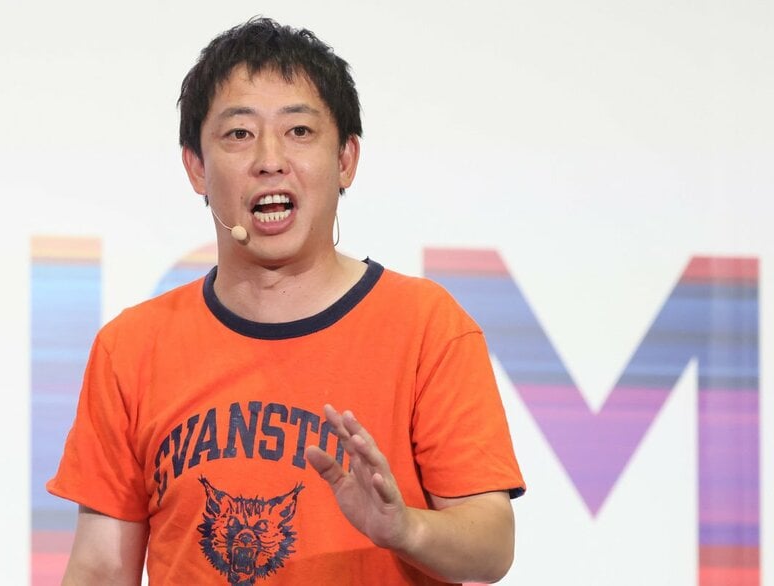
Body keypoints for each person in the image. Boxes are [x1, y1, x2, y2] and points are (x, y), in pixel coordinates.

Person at [47, 17, 525, 585]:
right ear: (196, 167)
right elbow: (101, 566)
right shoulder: (131, 348)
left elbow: (491, 545)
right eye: (238, 134)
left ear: (345, 159)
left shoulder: (427, 326)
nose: (269, 159)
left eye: (299, 131)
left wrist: (405, 529)